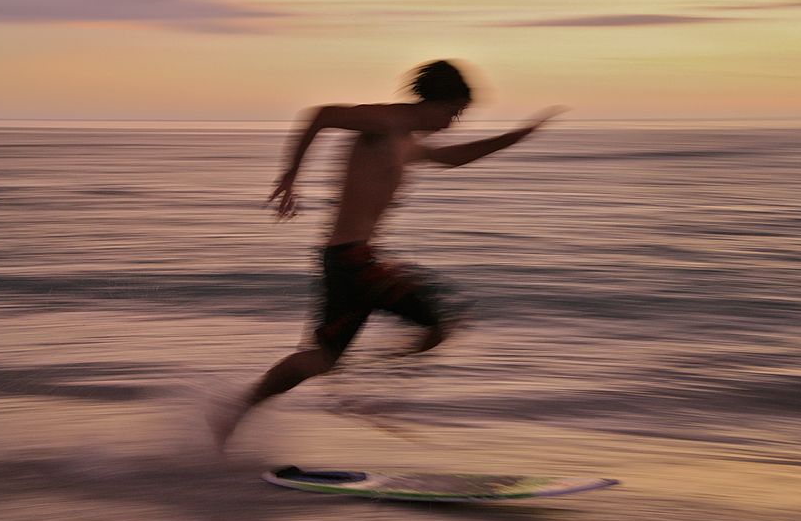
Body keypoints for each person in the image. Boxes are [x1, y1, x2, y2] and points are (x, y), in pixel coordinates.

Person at [208, 60, 567, 450]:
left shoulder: (405, 140)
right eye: (453, 112)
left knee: (321, 359)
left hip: (350, 258)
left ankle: (234, 412)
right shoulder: (385, 123)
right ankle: (366, 386)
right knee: (440, 320)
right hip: (352, 259)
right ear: (433, 101)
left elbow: (454, 158)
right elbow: (321, 115)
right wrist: (291, 175)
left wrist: (517, 136)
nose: (453, 122)